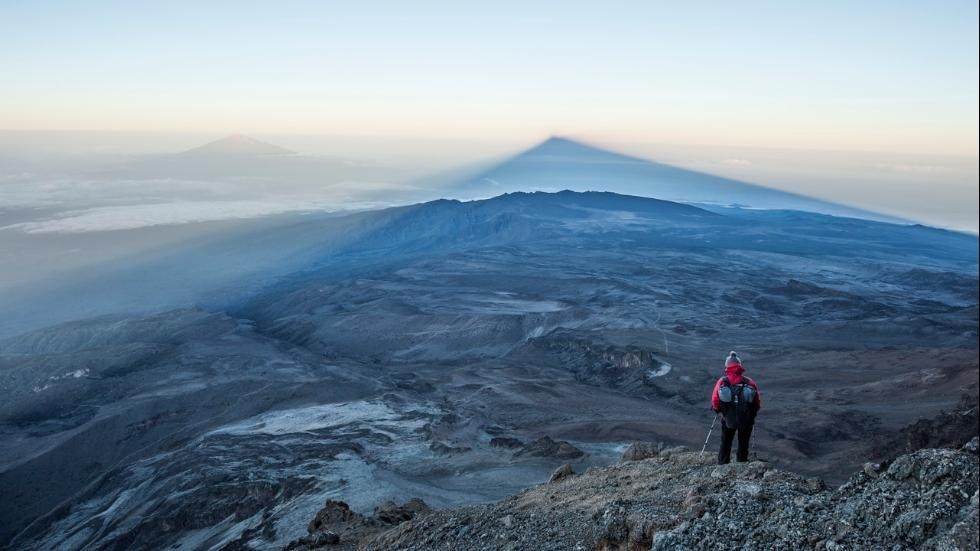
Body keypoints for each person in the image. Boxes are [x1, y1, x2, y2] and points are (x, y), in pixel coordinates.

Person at [710, 351, 761, 464]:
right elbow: (757, 402)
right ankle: (741, 463)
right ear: (740, 366)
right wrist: (752, 414)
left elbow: (715, 400)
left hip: (728, 418)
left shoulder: (723, 381)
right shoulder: (749, 382)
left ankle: (723, 464)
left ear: (727, 366)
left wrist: (719, 410)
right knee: (743, 443)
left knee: (726, 442)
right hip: (746, 419)